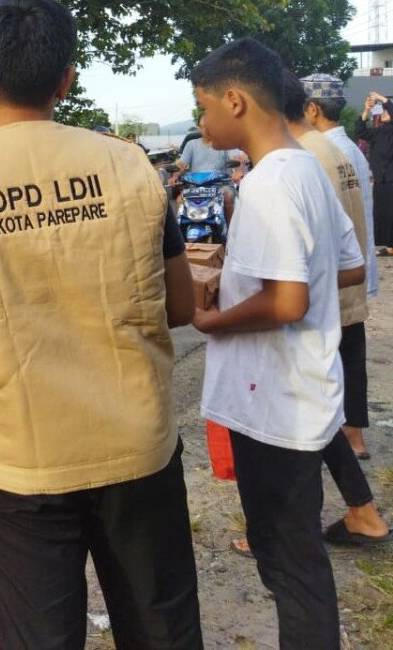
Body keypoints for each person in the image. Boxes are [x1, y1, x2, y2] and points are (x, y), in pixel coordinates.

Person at [0, 0, 201, 648]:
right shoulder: (130, 166)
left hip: (19, 464)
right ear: (66, 79)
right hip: (138, 449)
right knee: (163, 629)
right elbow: (179, 306)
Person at [191, 39, 366, 650]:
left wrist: (214, 320)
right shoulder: (306, 168)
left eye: (203, 107)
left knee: (288, 561)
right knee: (294, 555)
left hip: (274, 404)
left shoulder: (268, 183)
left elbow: (287, 302)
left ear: (234, 100)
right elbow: (348, 266)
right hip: (303, 389)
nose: (201, 122)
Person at [303, 73, 380, 458]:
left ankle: (342, 435)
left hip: (337, 273)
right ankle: (354, 434)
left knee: (332, 358)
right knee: (351, 353)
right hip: (356, 269)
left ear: (311, 110)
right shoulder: (350, 149)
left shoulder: (318, 153)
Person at [356, 91, 393, 249]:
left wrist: (380, 97)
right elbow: (360, 130)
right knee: (381, 212)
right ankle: (388, 245)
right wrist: (367, 109)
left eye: (386, 111)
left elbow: (390, 108)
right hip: (380, 179)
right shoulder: (377, 133)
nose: (383, 113)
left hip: (391, 179)